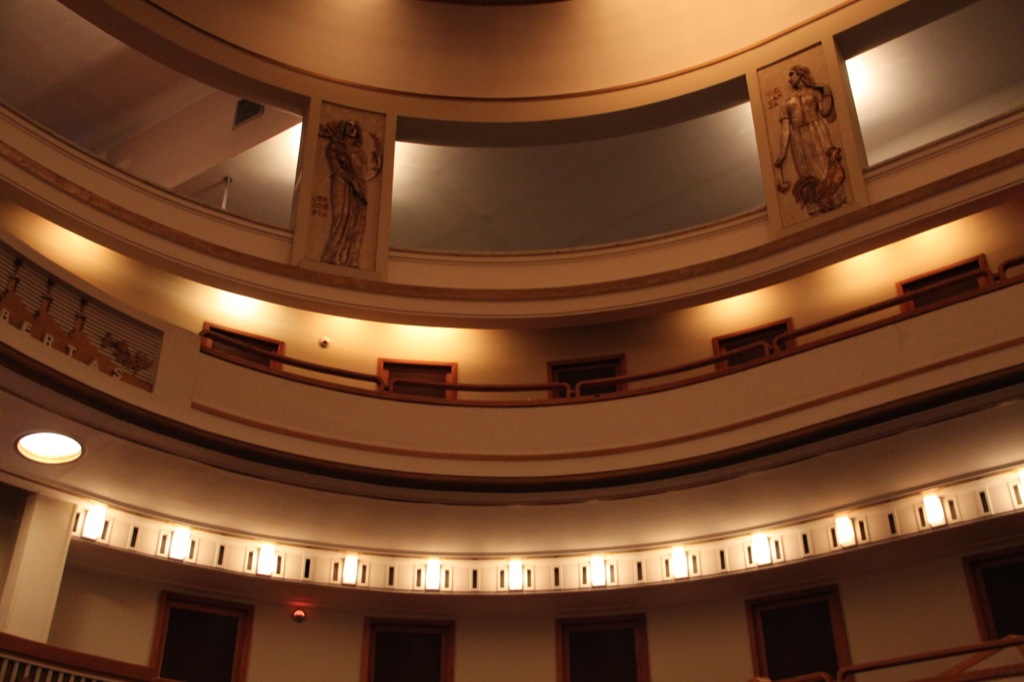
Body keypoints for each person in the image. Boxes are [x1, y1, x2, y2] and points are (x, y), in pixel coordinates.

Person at [774, 65, 846, 214]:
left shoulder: (813, 93)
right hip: (798, 137)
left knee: (825, 167)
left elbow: (825, 111)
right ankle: (816, 206)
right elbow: (785, 129)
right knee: (806, 172)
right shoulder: (786, 102)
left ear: (800, 74)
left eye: (791, 74)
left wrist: (826, 91)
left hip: (817, 131)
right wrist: (783, 153)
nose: (789, 79)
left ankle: (835, 201)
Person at [320, 119, 376, 267]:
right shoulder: (334, 147)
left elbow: (364, 174)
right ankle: (332, 255)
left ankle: (351, 259)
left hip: (359, 187)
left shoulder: (360, 153)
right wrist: (351, 181)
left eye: (355, 127)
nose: (352, 128)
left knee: (356, 221)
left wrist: (376, 168)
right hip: (341, 183)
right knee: (341, 216)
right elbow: (336, 168)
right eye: (349, 125)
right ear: (343, 128)